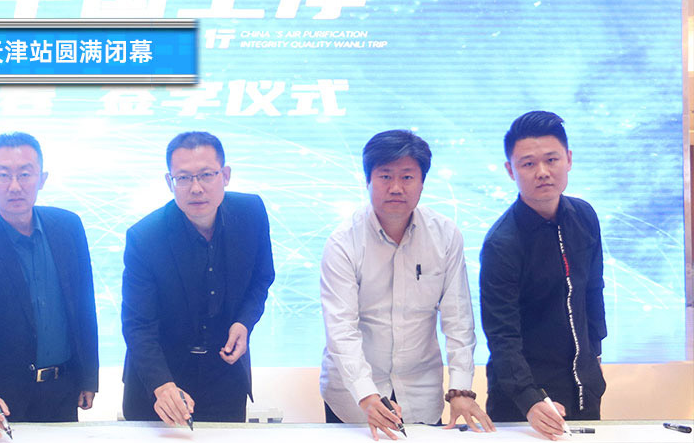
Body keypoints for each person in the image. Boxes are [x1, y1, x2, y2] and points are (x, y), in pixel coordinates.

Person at [318, 130, 494, 440]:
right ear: (368, 180)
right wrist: (366, 394)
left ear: (423, 182)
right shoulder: (343, 242)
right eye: (385, 176)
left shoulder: (445, 235)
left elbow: (458, 319)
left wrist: (461, 389)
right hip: (354, 398)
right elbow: (341, 329)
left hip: (421, 392)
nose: (396, 187)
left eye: (408, 177)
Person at [0, 132, 99, 441]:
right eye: (3, 174)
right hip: (6, 397)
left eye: (25, 174)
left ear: (42, 178)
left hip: (63, 388)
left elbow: (84, 305)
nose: (15, 186)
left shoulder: (68, 226)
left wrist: (89, 375)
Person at [121, 131, 275, 424]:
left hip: (225, 377)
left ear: (225, 175)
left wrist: (244, 322)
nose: (196, 188)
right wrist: (162, 385)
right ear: (169, 182)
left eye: (206, 175)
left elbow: (262, 277)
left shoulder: (251, 213)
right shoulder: (145, 237)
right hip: (160, 384)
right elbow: (138, 325)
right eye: (183, 178)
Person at [480, 111, 606, 440]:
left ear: (569, 159)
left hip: (584, 389)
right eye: (528, 163)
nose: (543, 172)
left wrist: (595, 355)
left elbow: (593, 291)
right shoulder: (501, 243)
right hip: (523, 402)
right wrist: (530, 399)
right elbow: (501, 334)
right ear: (511, 170)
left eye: (552, 159)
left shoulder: (585, 216)